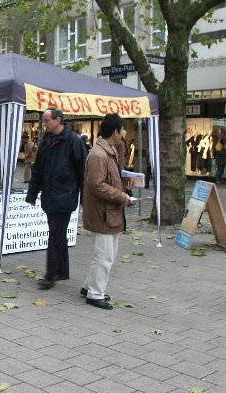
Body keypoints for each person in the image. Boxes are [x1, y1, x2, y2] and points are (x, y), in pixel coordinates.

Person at [25, 108, 87, 290]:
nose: (44, 124)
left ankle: (50, 275)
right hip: (50, 196)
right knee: (59, 235)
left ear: (58, 120)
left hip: (65, 196)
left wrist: (85, 199)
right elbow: (38, 169)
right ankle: (62, 271)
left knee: (54, 234)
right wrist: (32, 193)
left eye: (47, 120)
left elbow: (83, 171)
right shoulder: (46, 141)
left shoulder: (73, 141)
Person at [82, 114, 134, 309]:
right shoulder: (99, 154)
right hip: (102, 213)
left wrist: (124, 185)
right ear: (115, 132)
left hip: (108, 212)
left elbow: (108, 180)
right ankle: (95, 294)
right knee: (105, 256)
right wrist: (121, 196)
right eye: (122, 131)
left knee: (103, 255)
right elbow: (97, 185)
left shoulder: (108, 151)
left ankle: (89, 287)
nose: (123, 134)